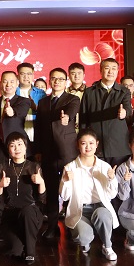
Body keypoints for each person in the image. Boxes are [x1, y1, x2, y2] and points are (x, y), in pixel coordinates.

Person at [59, 129, 120, 261]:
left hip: (99, 207)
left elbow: (112, 195)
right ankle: (86, 241)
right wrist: (66, 181)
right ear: (78, 145)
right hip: (80, 209)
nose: (88, 147)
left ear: (97, 144)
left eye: (91, 143)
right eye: (83, 143)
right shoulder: (70, 167)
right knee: (83, 237)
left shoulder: (104, 166)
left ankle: (107, 246)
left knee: (103, 215)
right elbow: (64, 196)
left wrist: (111, 179)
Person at [34, 67, 79, 239]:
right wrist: (38, 149)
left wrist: (66, 118)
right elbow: (38, 128)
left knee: (70, 189)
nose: (57, 81)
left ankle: (73, 225)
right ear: (49, 80)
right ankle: (52, 227)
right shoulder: (43, 102)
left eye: (60, 79)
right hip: (47, 152)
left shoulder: (72, 99)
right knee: (51, 191)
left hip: (67, 151)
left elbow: (71, 112)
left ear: (66, 82)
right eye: (53, 78)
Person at [0, 132, 45, 261]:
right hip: (11, 214)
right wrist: (0, 185)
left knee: (27, 211)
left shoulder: (34, 167)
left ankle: (30, 253)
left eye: (20, 144)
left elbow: (42, 198)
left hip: (30, 214)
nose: (17, 148)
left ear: (26, 147)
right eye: (12, 145)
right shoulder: (3, 167)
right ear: (8, 149)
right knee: (14, 251)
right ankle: (25, 241)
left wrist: (41, 182)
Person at [78, 58, 132, 166]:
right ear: (101, 70)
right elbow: (83, 118)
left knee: (119, 174)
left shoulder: (124, 91)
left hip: (118, 145)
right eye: (107, 68)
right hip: (95, 145)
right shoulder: (89, 92)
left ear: (117, 71)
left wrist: (124, 113)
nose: (110, 71)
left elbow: (128, 108)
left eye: (114, 69)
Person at [0, 71, 31, 165]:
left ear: (17, 83)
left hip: (17, 148)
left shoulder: (24, 101)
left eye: (12, 81)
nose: (8, 85)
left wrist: (12, 112)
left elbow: (21, 112)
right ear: (0, 83)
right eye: (5, 81)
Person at [15, 62, 46, 142]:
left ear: (33, 76)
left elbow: (46, 114)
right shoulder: (13, 92)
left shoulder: (41, 93)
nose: (26, 77)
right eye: (22, 74)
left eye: (29, 74)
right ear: (17, 76)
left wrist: (35, 108)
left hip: (37, 132)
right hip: (17, 133)